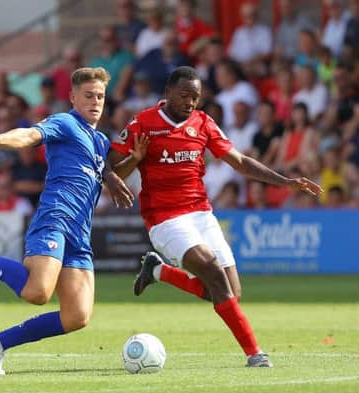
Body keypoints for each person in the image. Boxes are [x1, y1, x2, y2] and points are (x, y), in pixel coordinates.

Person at [110, 66, 322, 367]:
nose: (190, 102)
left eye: (195, 97)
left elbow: (240, 162)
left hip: (200, 213)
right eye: (184, 95)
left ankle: (158, 271)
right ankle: (255, 354)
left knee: (229, 291)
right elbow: (113, 172)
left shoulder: (203, 122)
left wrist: (285, 181)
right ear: (168, 92)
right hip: (165, 218)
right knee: (211, 269)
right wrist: (136, 159)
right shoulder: (143, 123)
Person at [0, 67, 134, 375]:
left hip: (80, 234)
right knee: (37, 293)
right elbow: (30, 135)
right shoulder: (65, 122)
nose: (96, 102)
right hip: (55, 217)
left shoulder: (99, 141)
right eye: (88, 96)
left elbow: (106, 172)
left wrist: (133, 163)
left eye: (100, 96)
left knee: (77, 317)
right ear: (72, 97)